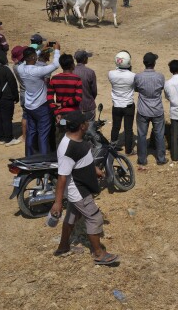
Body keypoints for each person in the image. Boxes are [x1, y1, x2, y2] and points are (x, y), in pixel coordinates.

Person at [51, 111, 118, 266]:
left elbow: (83, 159)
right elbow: (62, 177)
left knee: (72, 217)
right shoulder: (68, 149)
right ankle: (98, 253)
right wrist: (58, 202)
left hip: (80, 186)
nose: (88, 123)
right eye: (86, 122)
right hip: (78, 190)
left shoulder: (77, 138)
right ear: (82, 126)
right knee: (94, 217)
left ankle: (63, 247)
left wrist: (95, 170)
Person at [18, 43, 61, 156]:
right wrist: (57, 50)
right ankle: (43, 158)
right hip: (41, 106)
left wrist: (41, 49)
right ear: (32, 57)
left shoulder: (20, 68)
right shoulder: (37, 71)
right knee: (43, 134)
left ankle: (29, 155)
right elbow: (56, 64)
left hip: (29, 106)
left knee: (31, 132)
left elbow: (30, 58)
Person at [134, 52, 167, 168]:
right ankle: (161, 158)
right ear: (154, 63)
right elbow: (162, 88)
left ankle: (142, 159)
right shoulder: (160, 76)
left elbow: (136, 88)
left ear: (144, 63)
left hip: (143, 110)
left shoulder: (138, 77)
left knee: (142, 135)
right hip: (157, 109)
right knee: (159, 135)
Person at [47, 54, 83, 144]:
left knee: (62, 136)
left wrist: (56, 112)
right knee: (76, 137)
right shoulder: (77, 79)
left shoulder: (54, 79)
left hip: (61, 116)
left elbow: (49, 98)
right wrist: (64, 104)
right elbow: (78, 98)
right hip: (74, 115)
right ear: (72, 65)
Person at [0, 52, 20, 146]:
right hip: (6, 98)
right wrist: (15, 96)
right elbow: (12, 83)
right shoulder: (4, 69)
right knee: (7, 118)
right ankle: (9, 139)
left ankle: (1, 138)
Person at [109, 51, 135, 155]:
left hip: (116, 105)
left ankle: (113, 147)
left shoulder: (111, 74)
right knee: (128, 129)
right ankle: (129, 150)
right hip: (128, 105)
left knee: (115, 127)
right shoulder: (133, 75)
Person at [74, 50, 97, 121]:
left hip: (75, 106)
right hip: (88, 106)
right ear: (84, 59)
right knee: (89, 128)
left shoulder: (71, 71)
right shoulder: (90, 72)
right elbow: (94, 91)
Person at [11, 46, 28, 141]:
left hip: (22, 93)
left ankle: (24, 136)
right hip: (30, 94)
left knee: (25, 116)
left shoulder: (15, 67)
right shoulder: (26, 67)